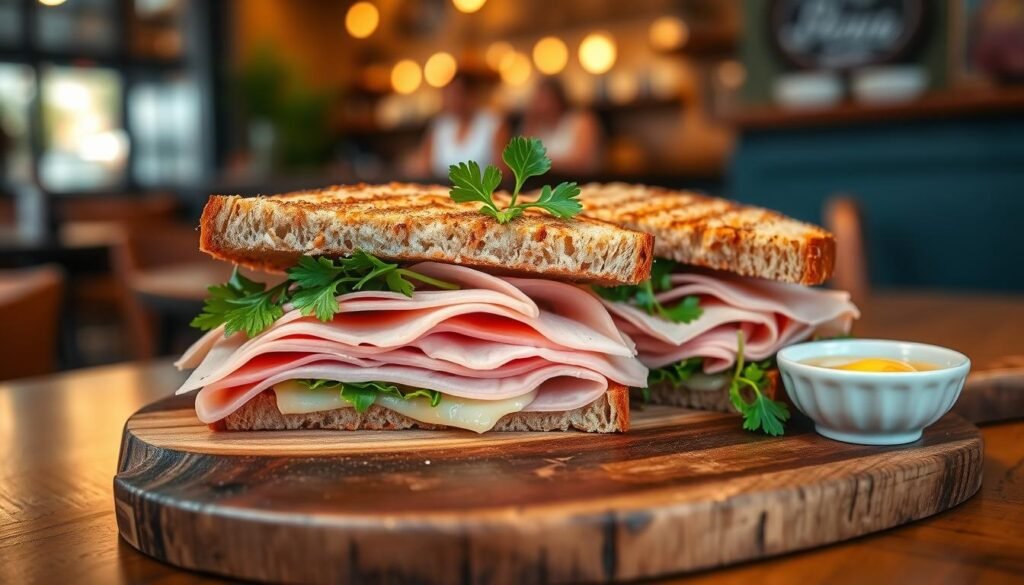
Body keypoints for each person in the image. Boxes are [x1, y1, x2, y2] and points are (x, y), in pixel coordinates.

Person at [411, 72, 508, 179]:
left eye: (457, 94)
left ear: (471, 95)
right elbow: (422, 166)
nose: (452, 100)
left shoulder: (493, 123)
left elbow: (503, 171)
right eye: (448, 95)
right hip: (439, 188)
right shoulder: (440, 125)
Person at [520, 78, 603, 175]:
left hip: (579, 181)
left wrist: (539, 162)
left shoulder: (581, 120)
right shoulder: (536, 126)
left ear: (558, 99)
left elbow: (581, 162)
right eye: (538, 101)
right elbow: (523, 160)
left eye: (546, 100)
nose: (541, 106)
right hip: (544, 182)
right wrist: (530, 123)